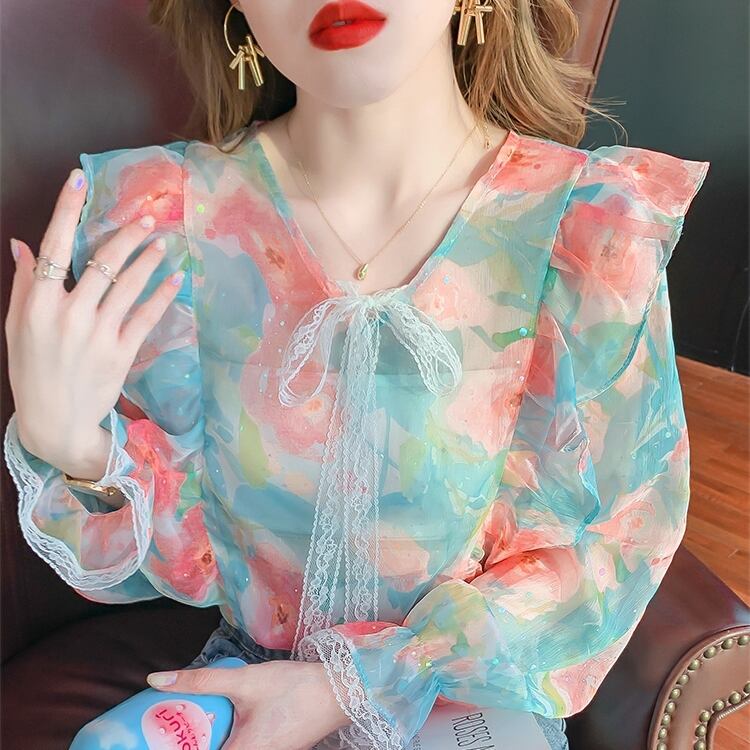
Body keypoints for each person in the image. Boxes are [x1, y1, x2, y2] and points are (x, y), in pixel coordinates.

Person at [3, 1, 710, 749]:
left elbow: (618, 537)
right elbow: (177, 555)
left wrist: (357, 683)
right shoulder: (167, 219)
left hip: (466, 701)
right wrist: (73, 447)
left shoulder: (583, 229)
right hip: (247, 695)